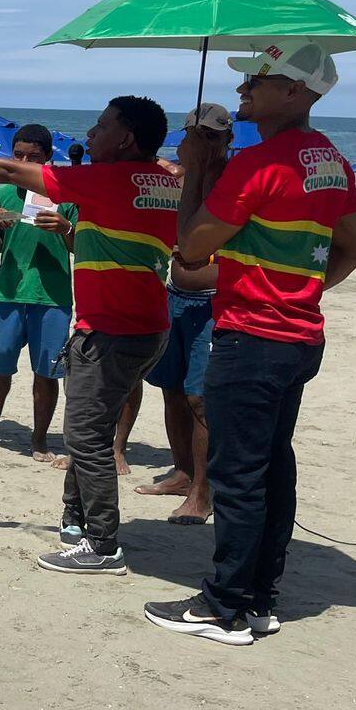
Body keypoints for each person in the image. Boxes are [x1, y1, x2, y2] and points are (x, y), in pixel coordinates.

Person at [0, 95, 177, 573]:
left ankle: (102, 546)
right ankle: (75, 522)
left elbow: (5, 171)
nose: (90, 134)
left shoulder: (108, 179)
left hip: (112, 330)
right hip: (148, 325)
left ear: (126, 138)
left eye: (101, 126)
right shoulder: (165, 181)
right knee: (89, 430)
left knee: (86, 437)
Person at [145, 43, 356, 644]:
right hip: (298, 337)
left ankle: (223, 606)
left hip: (252, 336)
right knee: (272, 467)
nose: (243, 89)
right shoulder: (330, 159)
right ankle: (260, 598)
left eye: (257, 79)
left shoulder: (261, 162)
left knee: (239, 474)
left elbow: (192, 247)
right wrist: (298, 291)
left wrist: (195, 170)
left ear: (294, 91)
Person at [134, 104, 233, 525]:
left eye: (212, 136)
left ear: (227, 139)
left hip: (214, 301)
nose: (203, 144)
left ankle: (202, 491)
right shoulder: (180, 178)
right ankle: (182, 471)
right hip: (176, 295)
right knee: (171, 388)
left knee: (199, 397)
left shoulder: (233, 180)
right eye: (195, 135)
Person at [0, 123, 77, 460]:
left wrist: (66, 228)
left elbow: (81, 247)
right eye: (18, 155)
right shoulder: (2, 194)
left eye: (33, 157)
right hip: (8, 293)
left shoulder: (66, 195)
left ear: (48, 157)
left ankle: (39, 438)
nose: (24, 162)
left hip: (53, 296)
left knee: (47, 373)